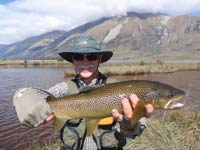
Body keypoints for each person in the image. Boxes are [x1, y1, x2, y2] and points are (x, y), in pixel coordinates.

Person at [13, 35, 153, 150]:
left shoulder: (121, 89)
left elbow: (136, 133)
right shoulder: (64, 89)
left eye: (91, 56)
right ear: (73, 61)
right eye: (78, 57)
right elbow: (30, 96)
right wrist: (34, 109)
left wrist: (130, 123)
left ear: (99, 59)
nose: (85, 62)